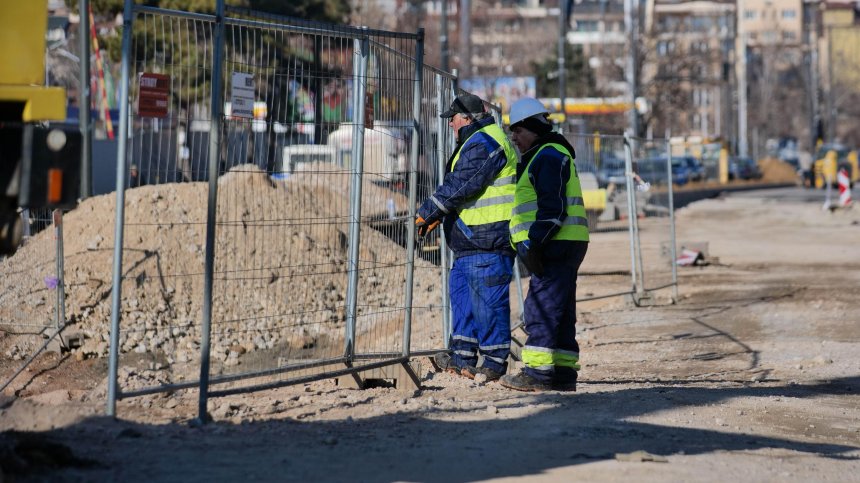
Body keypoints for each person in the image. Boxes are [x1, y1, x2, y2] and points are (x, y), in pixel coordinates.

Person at [416, 93, 519, 381]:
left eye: (453, 118)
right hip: (470, 239)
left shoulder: (486, 141)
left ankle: (494, 362)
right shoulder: (478, 140)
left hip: (487, 238)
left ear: (468, 118)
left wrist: (430, 211)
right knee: (463, 300)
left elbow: (463, 184)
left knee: (488, 302)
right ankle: (462, 356)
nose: (450, 124)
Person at [499, 97, 589, 392]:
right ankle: (562, 373)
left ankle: (537, 373)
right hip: (566, 241)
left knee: (542, 307)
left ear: (534, 128)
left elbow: (553, 208)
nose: (514, 138)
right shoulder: (550, 153)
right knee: (561, 309)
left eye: (518, 131)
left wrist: (535, 243)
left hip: (554, 243)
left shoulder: (547, 155)